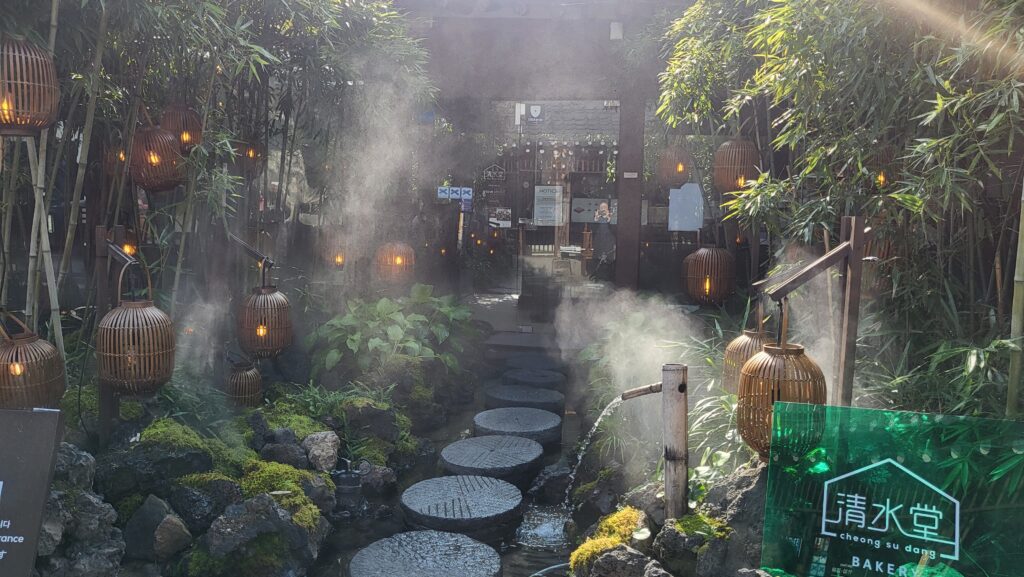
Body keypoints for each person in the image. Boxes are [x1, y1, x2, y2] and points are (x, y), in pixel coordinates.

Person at [591, 201, 616, 280]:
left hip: (608, 244)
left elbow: (615, 231)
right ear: (598, 210)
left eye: (605, 209)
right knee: (597, 260)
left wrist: (609, 218)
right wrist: (596, 219)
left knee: (608, 261)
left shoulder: (612, 219)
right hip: (599, 243)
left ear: (608, 210)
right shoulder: (596, 219)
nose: (603, 211)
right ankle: (597, 276)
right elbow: (592, 231)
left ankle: (609, 277)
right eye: (601, 209)